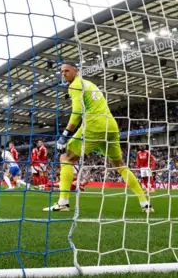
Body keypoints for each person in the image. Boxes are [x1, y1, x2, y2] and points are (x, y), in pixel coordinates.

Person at [44, 63, 152, 213]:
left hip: (94, 125)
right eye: (62, 71)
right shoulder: (89, 84)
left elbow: (76, 113)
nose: (64, 74)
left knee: (66, 158)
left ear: (76, 71)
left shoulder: (75, 85)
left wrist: (64, 135)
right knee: (120, 165)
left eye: (67, 70)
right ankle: (145, 203)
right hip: (111, 126)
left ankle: (63, 203)